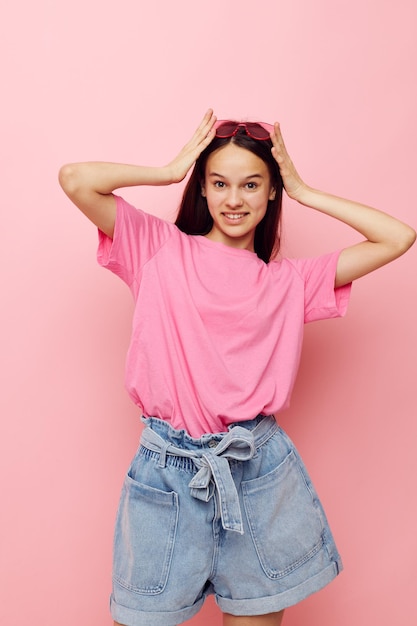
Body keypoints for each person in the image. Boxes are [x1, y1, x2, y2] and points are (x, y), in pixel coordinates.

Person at [59, 110, 415, 626]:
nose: (233, 199)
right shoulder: (158, 249)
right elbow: (75, 179)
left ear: (271, 193)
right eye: (219, 183)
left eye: (251, 185)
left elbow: (398, 237)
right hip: (167, 471)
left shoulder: (291, 282)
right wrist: (170, 169)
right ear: (202, 189)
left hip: (258, 471)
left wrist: (304, 189)